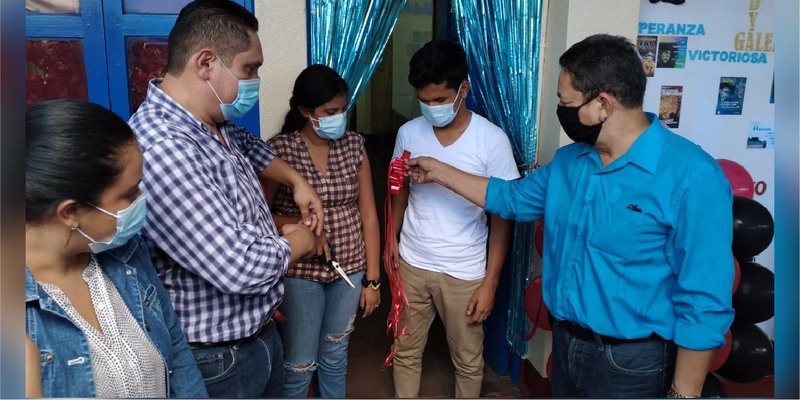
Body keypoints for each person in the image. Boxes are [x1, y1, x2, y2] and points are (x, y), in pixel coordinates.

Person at [406, 34, 734, 398]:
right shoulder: (569, 162)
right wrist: (438, 170)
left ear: (602, 105)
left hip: (633, 364)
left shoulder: (692, 175)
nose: (561, 111)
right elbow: (509, 199)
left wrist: (684, 393)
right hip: (565, 347)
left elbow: (704, 298)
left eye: (566, 102)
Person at [127, 0, 319, 397]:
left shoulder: (211, 122)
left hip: (257, 336)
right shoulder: (163, 148)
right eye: (250, 69)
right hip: (218, 360)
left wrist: (298, 181)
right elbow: (241, 266)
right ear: (206, 63)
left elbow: (251, 149)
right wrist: (301, 240)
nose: (255, 81)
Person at [25, 99, 208, 398]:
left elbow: (175, 349)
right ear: (70, 212)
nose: (142, 199)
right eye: (129, 193)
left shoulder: (126, 251)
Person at [389, 39, 519, 398]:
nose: (431, 108)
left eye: (440, 100)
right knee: (406, 351)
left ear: (464, 89)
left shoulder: (492, 141)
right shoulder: (408, 133)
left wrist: (490, 281)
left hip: (465, 272)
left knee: (467, 359)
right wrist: (392, 241)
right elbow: (398, 191)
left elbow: (503, 216)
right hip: (413, 262)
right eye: (424, 101)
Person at [263, 64, 381, 398]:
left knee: (335, 355)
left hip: (350, 270)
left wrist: (373, 280)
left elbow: (369, 216)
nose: (338, 118)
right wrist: (301, 226)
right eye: (330, 111)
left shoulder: (355, 146)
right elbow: (261, 217)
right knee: (299, 364)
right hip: (300, 272)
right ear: (304, 111)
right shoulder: (279, 151)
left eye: (343, 110)